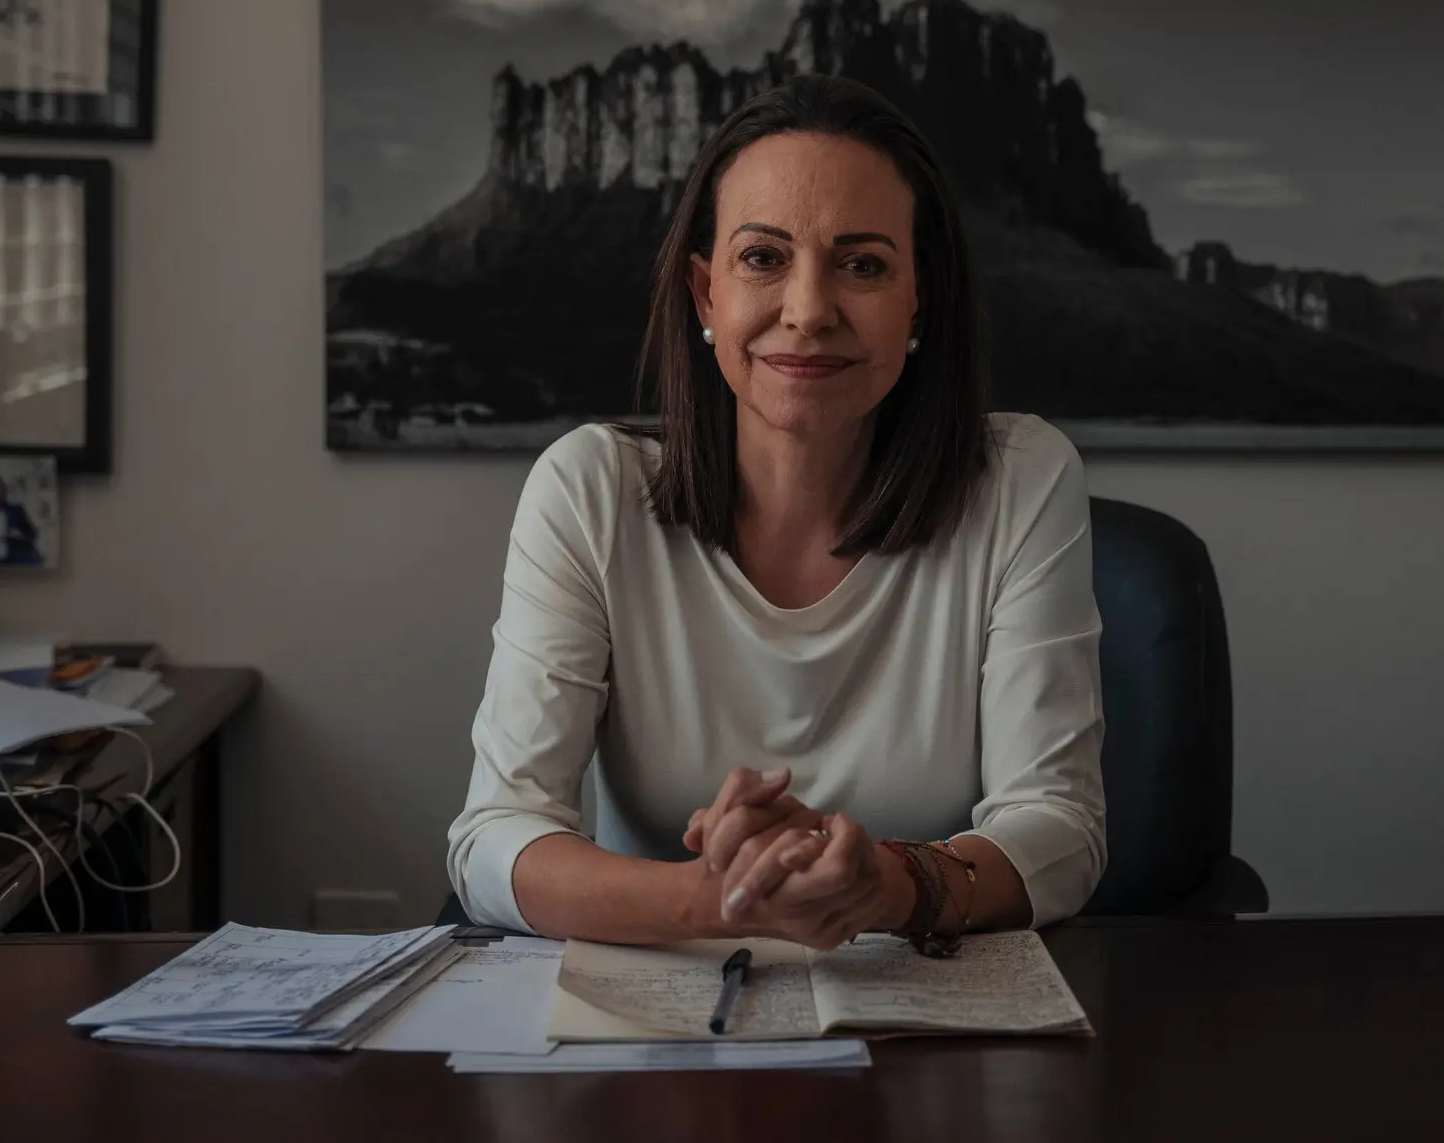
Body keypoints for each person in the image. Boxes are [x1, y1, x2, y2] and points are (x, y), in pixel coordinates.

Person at [448, 75, 1105, 952]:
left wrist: (895, 883)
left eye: (863, 264)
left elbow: (1059, 828)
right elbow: (494, 838)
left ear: (921, 300)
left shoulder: (1022, 480)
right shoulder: (587, 489)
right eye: (762, 258)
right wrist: (716, 899)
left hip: (923, 1024)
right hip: (662, 1020)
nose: (807, 311)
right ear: (705, 293)